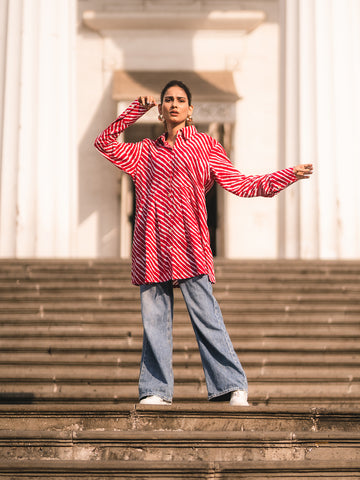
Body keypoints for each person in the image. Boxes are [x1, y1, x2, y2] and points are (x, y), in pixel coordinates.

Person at [94, 80, 313, 407]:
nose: (173, 104)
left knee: (208, 320)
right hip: (151, 249)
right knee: (154, 325)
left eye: (181, 100)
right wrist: (134, 111)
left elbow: (241, 184)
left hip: (191, 247)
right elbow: (104, 142)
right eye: (168, 99)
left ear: (190, 109)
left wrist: (287, 175)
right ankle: (155, 390)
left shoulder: (206, 147)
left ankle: (230, 386)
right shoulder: (144, 152)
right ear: (161, 108)